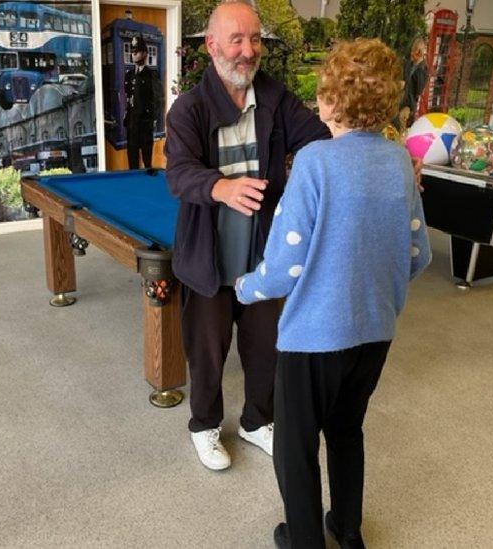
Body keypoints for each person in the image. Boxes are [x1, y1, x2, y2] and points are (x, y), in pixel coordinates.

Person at [234, 38, 431, 548]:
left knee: (295, 449)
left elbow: (284, 267)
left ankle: (304, 541)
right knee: (347, 431)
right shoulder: (398, 161)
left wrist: (246, 287)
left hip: (313, 339)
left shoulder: (314, 162)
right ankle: (346, 531)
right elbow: (418, 256)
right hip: (375, 334)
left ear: (329, 102)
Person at [164, 0, 331, 471]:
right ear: (212, 45)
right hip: (208, 262)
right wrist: (221, 186)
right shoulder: (189, 110)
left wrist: (370, 152)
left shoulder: (275, 99)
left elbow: (319, 138)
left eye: (254, 39)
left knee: (265, 350)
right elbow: (178, 174)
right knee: (208, 354)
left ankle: (258, 422)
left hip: (264, 259)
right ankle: (204, 426)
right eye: (236, 39)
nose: (247, 50)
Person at [124, 35, 162, 169]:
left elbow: (157, 99)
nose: (134, 53)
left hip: (145, 123)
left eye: (137, 51)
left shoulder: (152, 74)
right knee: (132, 161)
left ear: (145, 54)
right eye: (133, 51)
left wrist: (155, 120)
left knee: (147, 162)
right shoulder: (128, 75)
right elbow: (128, 98)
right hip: (132, 123)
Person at [398, 36, 429, 130]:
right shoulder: (408, 64)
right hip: (400, 101)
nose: (413, 53)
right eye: (413, 50)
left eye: (416, 50)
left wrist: (419, 62)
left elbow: (419, 90)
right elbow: (403, 79)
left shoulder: (423, 69)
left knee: (403, 127)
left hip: (409, 105)